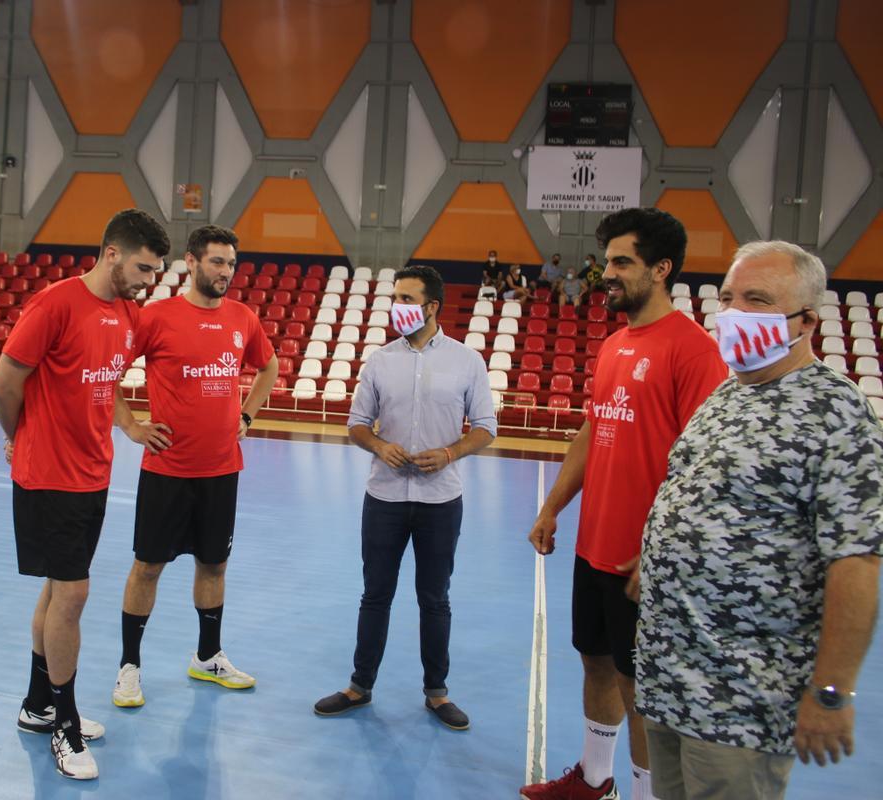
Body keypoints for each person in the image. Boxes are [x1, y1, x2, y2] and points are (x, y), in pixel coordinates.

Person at [636, 240, 883, 800]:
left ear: (806, 322)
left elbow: (857, 560)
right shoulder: (727, 393)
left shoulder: (835, 412)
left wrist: (830, 692)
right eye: (728, 297)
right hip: (670, 677)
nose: (735, 312)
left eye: (757, 299)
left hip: (742, 696)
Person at [520, 208, 727, 800]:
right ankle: (593, 777)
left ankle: (643, 794)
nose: (606, 272)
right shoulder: (613, 345)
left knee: (643, 688)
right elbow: (593, 430)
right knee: (596, 662)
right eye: (606, 260)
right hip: (595, 544)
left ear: (662, 269)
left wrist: (663, 550)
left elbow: (704, 466)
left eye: (621, 262)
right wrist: (552, 506)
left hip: (644, 560)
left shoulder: (694, 352)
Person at [0, 209, 171, 780]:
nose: (149, 279)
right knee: (72, 596)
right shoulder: (54, 305)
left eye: (156, 271)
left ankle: (38, 704)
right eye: (143, 267)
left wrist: (130, 425)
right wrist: (16, 437)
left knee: (56, 590)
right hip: (49, 477)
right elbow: (4, 381)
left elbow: (107, 381)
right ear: (112, 252)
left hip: (93, 473)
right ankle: (63, 724)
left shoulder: (125, 313)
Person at [314, 265, 496, 729]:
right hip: (385, 497)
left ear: (432, 306)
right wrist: (378, 445)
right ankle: (359, 686)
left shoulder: (466, 361)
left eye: (407, 299)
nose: (398, 307)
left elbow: (486, 429)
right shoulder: (380, 360)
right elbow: (356, 423)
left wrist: (451, 453)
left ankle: (437, 693)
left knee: (435, 599)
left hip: (441, 501)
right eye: (395, 297)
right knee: (375, 594)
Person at [112, 224, 279, 707]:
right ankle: (129, 666)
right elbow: (109, 370)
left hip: (221, 469)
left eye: (231, 263)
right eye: (217, 262)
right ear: (191, 261)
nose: (226, 271)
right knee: (147, 567)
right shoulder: (155, 317)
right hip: (166, 470)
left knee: (214, 564)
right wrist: (131, 427)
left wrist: (247, 413)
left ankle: (208, 656)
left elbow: (267, 366)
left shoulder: (243, 318)